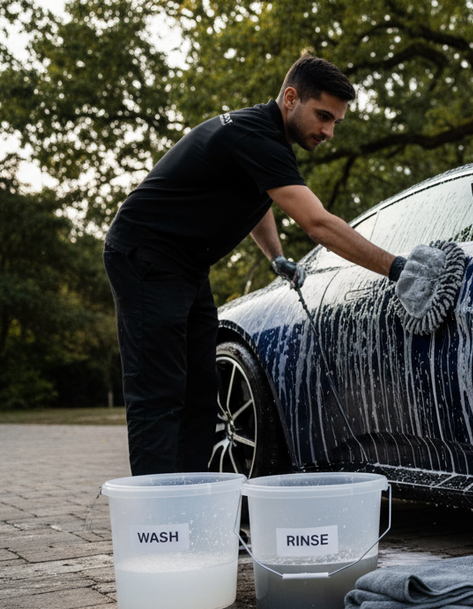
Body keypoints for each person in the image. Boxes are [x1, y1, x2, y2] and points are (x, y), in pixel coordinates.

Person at [103, 54, 412, 476]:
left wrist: (276, 256)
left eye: (336, 122)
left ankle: (190, 497)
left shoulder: (266, 141)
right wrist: (397, 268)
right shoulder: (255, 136)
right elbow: (318, 224)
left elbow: (259, 200)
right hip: (146, 255)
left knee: (201, 390)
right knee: (160, 390)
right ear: (291, 98)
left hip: (186, 266)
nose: (329, 132)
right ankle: (156, 511)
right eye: (323, 116)